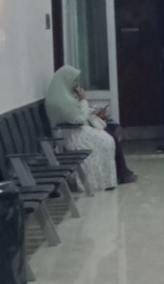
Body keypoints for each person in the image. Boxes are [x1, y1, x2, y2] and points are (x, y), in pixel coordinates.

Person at [44, 65, 118, 194]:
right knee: (102, 141)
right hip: (69, 136)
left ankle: (104, 181)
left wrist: (92, 111)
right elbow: (78, 118)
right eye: (75, 80)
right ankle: (91, 183)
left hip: (76, 131)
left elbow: (77, 113)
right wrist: (83, 100)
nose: (77, 84)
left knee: (107, 140)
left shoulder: (66, 97)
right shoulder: (60, 101)